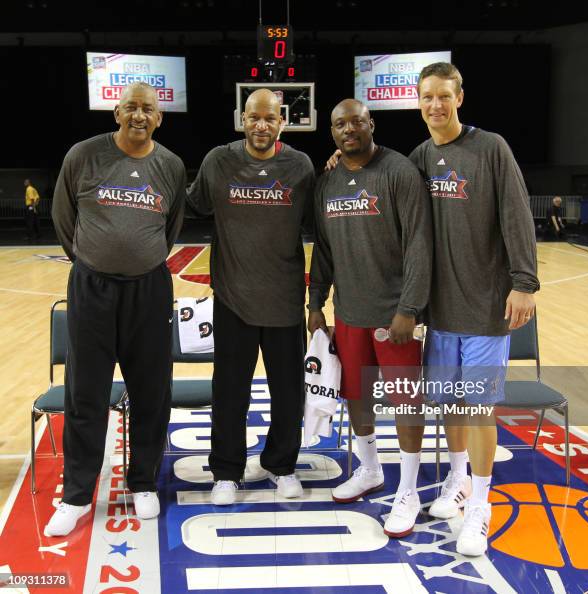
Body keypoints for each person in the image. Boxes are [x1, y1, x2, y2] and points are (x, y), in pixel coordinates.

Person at [410, 62, 539, 556]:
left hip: (486, 306)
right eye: (427, 97)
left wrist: (524, 282)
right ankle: (458, 480)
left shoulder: (491, 148)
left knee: (478, 408)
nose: (435, 105)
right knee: (450, 408)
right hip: (441, 311)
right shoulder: (420, 157)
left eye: (444, 96)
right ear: (418, 102)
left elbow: (517, 214)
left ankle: (481, 506)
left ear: (459, 97)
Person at [46, 82, 186, 537]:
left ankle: (142, 481)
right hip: (92, 287)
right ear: (117, 113)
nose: (139, 116)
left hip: (149, 289)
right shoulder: (83, 156)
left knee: (151, 390)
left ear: (159, 118)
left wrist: (138, 260)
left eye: (148, 109)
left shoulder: (169, 165)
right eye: (131, 108)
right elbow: (65, 220)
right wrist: (95, 259)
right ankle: (77, 495)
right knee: (84, 391)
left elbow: (171, 228)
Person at [308, 98, 433, 538]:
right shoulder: (327, 182)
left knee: (405, 402)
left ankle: (410, 491)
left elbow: (420, 243)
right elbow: (322, 250)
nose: (348, 130)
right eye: (339, 123)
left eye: (356, 121)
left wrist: (409, 308)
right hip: (349, 313)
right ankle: (371, 469)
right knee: (357, 397)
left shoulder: (399, 172)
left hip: (395, 314)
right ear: (333, 131)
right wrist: (315, 302)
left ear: (370, 124)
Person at [187, 89, 315, 505]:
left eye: (270, 119)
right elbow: (191, 205)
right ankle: (226, 472)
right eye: (254, 118)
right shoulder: (218, 161)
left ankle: (282, 466)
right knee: (229, 392)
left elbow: (323, 214)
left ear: (282, 122)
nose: (262, 126)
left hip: (284, 299)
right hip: (233, 297)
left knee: (288, 392)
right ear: (242, 118)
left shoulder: (299, 166)